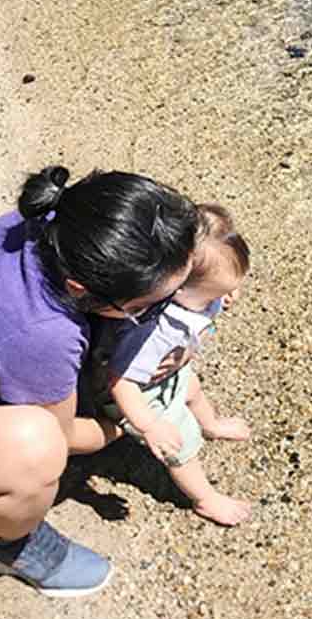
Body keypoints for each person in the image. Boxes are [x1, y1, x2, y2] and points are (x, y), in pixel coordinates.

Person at [0, 165, 198, 597]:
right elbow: (62, 437)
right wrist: (129, 426)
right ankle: (9, 544)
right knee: (37, 445)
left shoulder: (46, 226)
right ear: (80, 288)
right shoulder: (43, 332)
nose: (164, 310)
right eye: (149, 307)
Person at [93, 204, 252, 526]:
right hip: (141, 394)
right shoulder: (152, 328)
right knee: (182, 441)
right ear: (173, 286)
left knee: (192, 389)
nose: (223, 300)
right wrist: (150, 425)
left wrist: (223, 292)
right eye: (215, 295)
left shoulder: (193, 294)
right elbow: (120, 381)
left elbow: (212, 285)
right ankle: (205, 499)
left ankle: (212, 424)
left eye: (228, 291)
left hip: (169, 373)